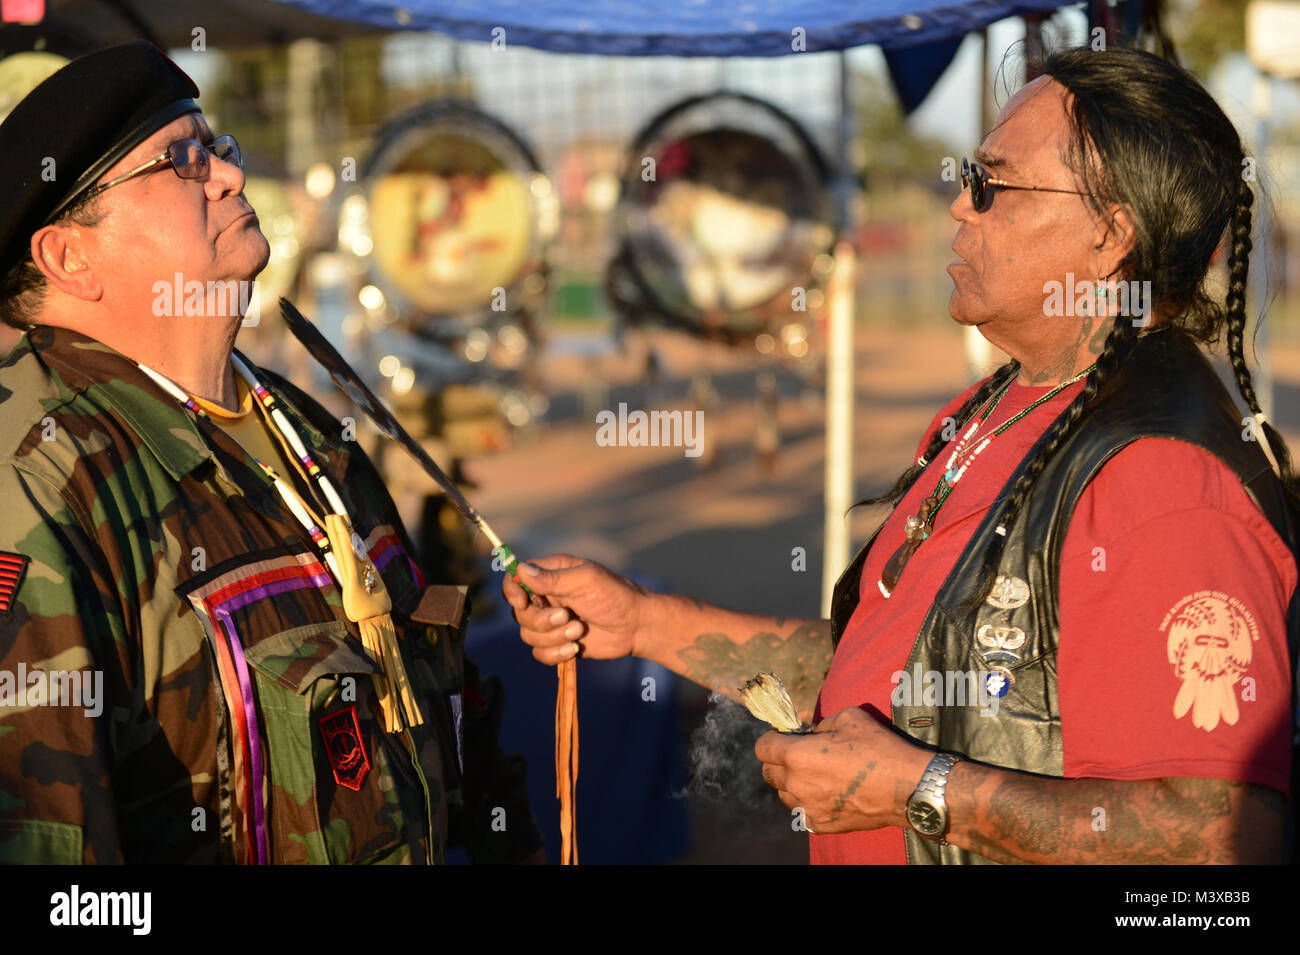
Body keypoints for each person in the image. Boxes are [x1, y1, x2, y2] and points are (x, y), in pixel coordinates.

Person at [505, 45, 1299, 864]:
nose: (959, 205)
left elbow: (1220, 843)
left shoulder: (1164, 478)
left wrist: (921, 790)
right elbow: (893, 676)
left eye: (993, 184)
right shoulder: (998, 405)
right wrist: (642, 621)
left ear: (1109, 235)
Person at [0, 41, 543, 864]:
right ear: (70, 258)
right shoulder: (39, 484)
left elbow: (449, 731)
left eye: (217, 147)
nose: (226, 174)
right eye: (179, 161)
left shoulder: (305, 427)